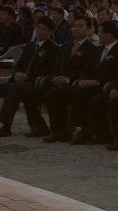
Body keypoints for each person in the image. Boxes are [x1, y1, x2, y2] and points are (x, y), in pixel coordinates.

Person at [0, 15, 61, 138]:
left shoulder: (54, 48)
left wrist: (27, 76)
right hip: (19, 81)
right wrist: (17, 74)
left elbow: (49, 70)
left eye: (43, 29)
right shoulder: (30, 46)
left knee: (14, 89)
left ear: (50, 32)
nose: (39, 31)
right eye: (38, 28)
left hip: (35, 83)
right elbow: (19, 64)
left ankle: (6, 126)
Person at [37, 14, 98, 142]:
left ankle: (77, 130)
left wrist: (69, 80)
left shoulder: (91, 49)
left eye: (80, 26)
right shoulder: (65, 47)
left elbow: (87, 70)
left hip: (75, 83)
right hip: (60, 82)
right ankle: (57, 130)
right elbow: (56, 66)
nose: (76, 29)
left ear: (88, 29)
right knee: (43, 91)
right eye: (74, 26)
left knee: (57, 94)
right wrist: (55, 77)